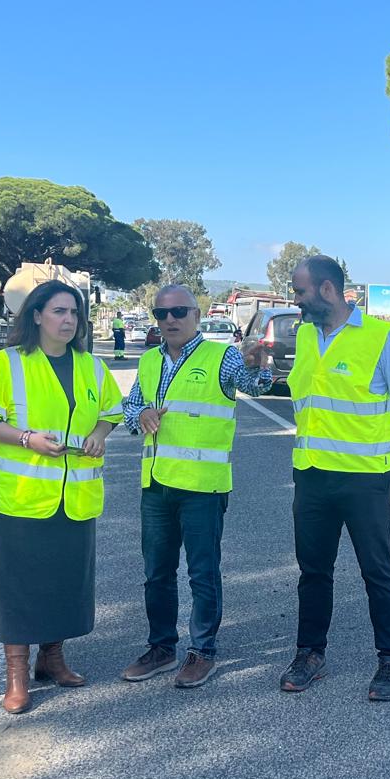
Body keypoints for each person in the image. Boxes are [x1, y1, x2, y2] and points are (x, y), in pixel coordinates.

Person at [0, 281, 123, 715]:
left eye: (74, 313)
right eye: (58, 312)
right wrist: (26, 438)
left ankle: (53, 658)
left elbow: (109, 413)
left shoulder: (91, 366)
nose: (68, 321)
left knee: (65, 581)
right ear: (36, 316)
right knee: (18, 585)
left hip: (76, 497)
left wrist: (100, 436)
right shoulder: (9, 363)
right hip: (23, 497)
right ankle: (16, 674)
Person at [279, 255, 390, 702]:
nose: (295, 300)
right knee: (313, 571)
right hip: (312, 476)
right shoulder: (305, 335)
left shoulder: (380, 338)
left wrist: (381, 444)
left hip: (365, 478)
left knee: (377, 570)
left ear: (326, 290)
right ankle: (310, 654)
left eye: (300, 292)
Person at [120, 286, 272, 687]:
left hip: (203, 487)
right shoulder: (150, 360)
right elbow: (130, 407)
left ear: (197, 315)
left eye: (179, 311)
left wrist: (257, 366)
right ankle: (162, 648)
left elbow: (255, 386)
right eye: (161, 313)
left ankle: (202, 651)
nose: (169, 319)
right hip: (155, 484)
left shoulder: (220, 358)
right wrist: (141, 415)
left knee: (202, 573)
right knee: (156, 572)